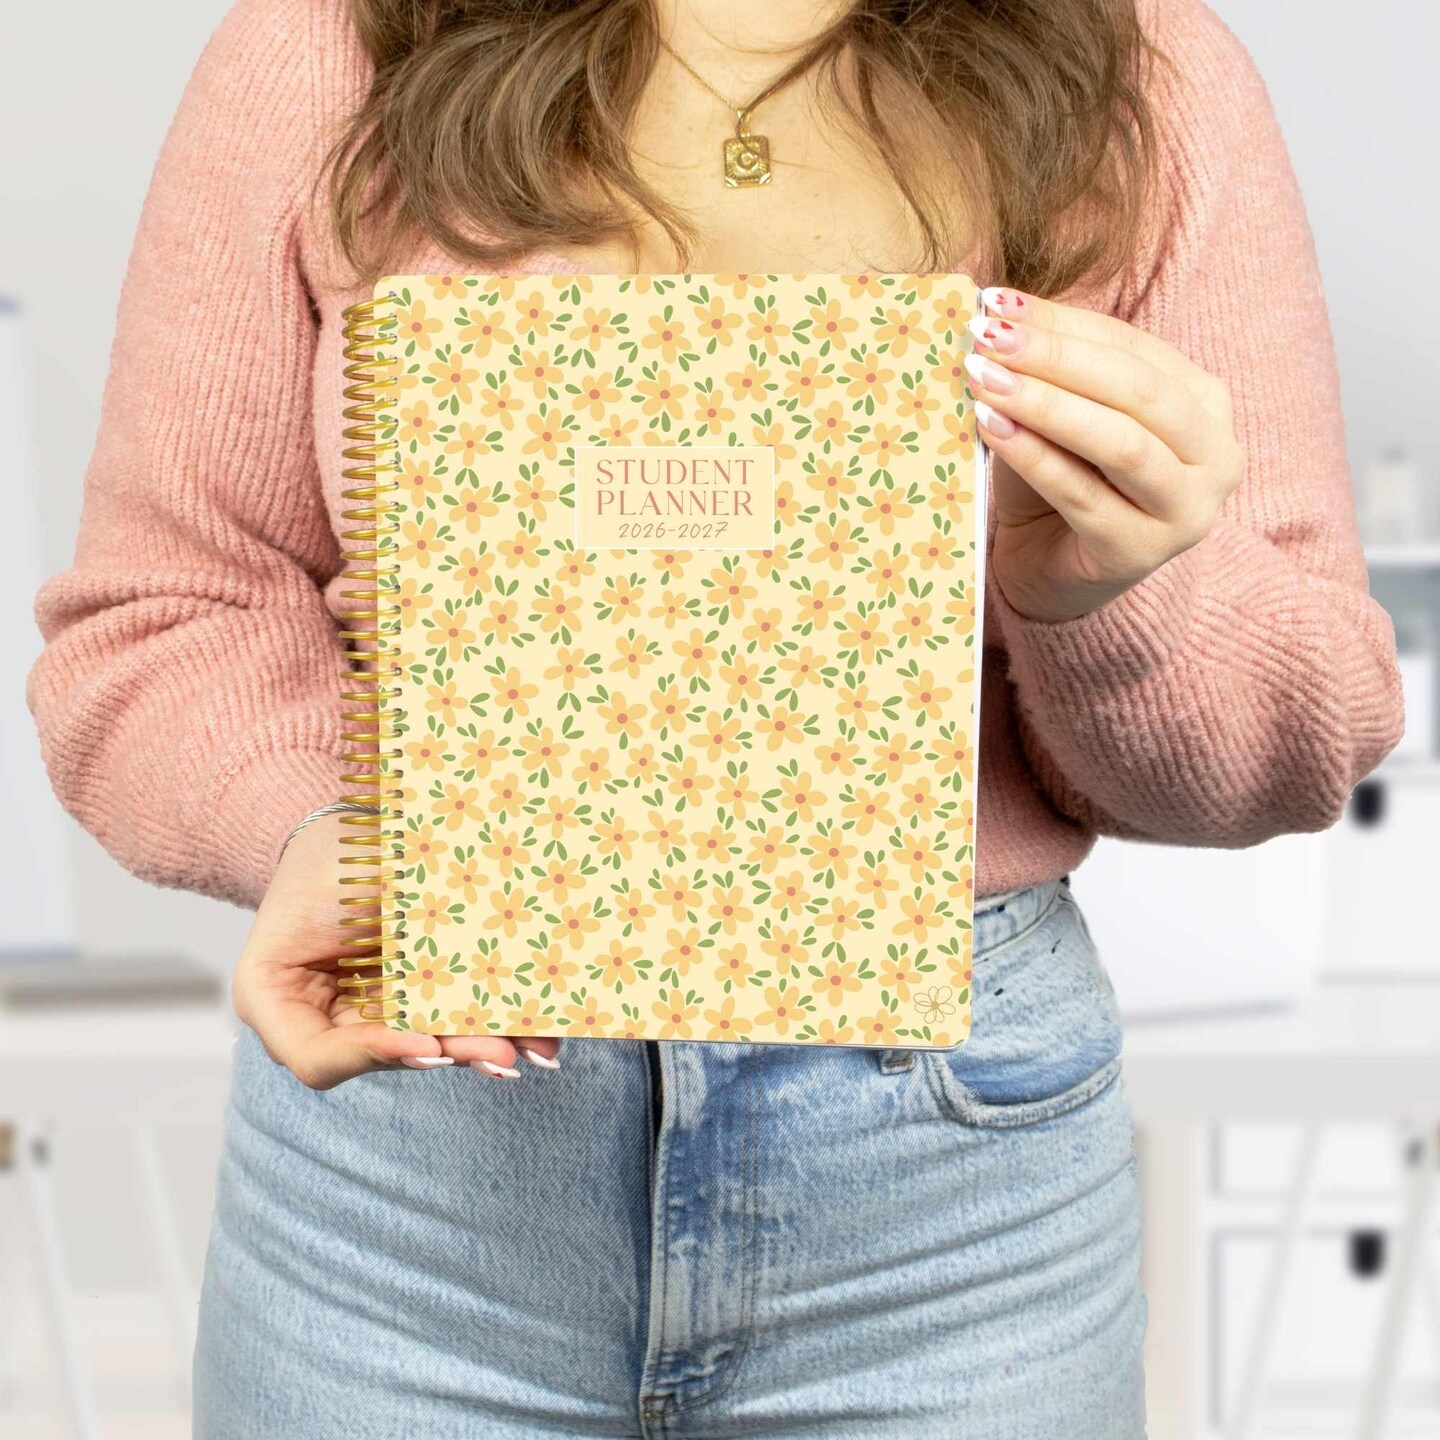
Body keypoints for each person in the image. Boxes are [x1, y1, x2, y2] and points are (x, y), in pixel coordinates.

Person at [28, 0, 1403, 1434]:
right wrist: (317, 832)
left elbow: (1298, 737)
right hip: (409, 1173)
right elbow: (164, 616)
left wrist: (1116, 590)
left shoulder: (1148, 75)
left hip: (952, 1214)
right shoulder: (327, 47)